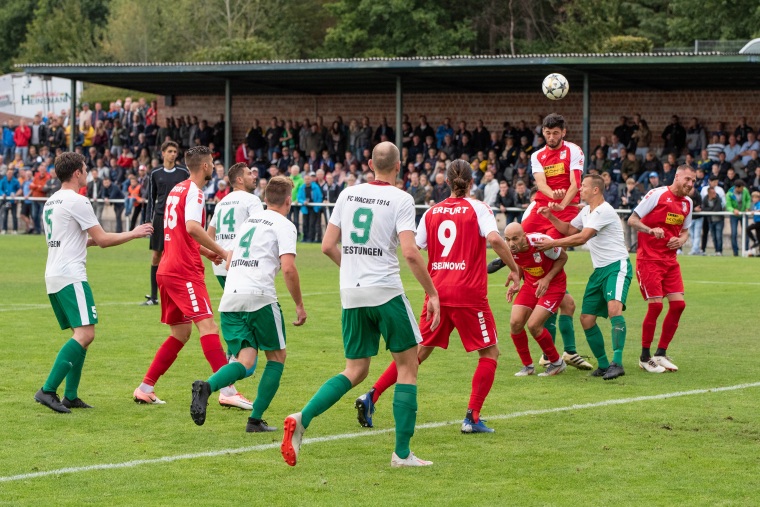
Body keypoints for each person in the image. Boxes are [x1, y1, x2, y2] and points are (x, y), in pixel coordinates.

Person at [280, 142, 441, 468]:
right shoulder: (402, 199)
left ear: (369, 163)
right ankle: (402, 453)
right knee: (408, 367)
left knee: (355, 369)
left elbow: (327, 246)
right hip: (385, 291)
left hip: (352, 295)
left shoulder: (347, 194)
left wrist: (354, 271)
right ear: (399, 166)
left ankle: (303, 417)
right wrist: (433, 294)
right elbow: (410, 253)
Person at [357, 160, 520, 434]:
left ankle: (371, 395)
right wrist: (514, 270)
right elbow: (494, 239)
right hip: (468, 295)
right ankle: (472, 417)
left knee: (416, 354)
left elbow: (416, 247)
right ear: (471, 182)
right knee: (489, 352)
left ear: (445, 182)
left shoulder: (432, 212)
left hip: (437, 294)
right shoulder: (478, 207)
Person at [34, 152, 153, 413]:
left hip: (54, 274)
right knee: (86, 333)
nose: (87, 173)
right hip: (71, 275)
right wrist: (133, 233)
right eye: (85, 169)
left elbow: (74, 240)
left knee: (82, 335)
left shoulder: (51, 201)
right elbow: (103, 239)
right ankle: (47, 390)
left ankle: (71, 395)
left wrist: (97, 240)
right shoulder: (78, 200)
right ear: (77, 172)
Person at [190, 176, 307, 431]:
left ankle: (207, 387)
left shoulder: (247, 223)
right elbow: (288, 268)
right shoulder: (284, 224)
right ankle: (255, 420)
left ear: (265, 199)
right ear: (289, 200)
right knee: (277, 357)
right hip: (259, 296)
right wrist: (299, 304)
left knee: (244, 361)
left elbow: (230, 260)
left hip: (231, 295)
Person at [132, 146, 241, 406]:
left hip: (167, 269)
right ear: (204, 166)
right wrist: (223, 252)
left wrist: (206, 252)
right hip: (184, 272)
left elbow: (181, 232)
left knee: (180, 333)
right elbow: (192, 227)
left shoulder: (176, 190)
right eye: (213, 163)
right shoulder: (195, 192)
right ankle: (228, 392)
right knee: (209, 327)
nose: (215, 167)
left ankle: (145, 387)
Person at [502, 113, 583, 369]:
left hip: (567, 207)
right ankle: (514, 269)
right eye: (547, 133)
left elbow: (575, 183)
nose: (551, 136)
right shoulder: (538, 155)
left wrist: (562, 202)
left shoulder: (574, 151)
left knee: (552, 251)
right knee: (519, 241)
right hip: (542, 205)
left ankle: (554, 354)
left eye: (555, 132)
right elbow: (541, 185)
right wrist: (552, 197)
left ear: (563, 132)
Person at [535, 174, 633, 381]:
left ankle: (617, 362)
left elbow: (582, 237)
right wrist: (551, 217)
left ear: (596, 190)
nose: (580, 189)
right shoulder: (587, 211)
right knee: (586, 319)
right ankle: (604, 364)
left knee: (613, 309)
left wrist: (552, 243)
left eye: (584, 186)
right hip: (599, 271)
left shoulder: (603, 210)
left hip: (616, 266)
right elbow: (571, 229)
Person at [627, 165, 696, 373]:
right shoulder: (656, 195)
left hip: (670, 261)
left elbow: (685, 232)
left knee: (678, 305)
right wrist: (650, 229)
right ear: (677, 177)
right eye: (687, 180)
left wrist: (680, 241)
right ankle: (644, 357)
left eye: (693, 181)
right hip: (649, 259)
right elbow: (632, 220)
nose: (690, 184)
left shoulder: (688, 203)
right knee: (655, 306)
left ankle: (661, 353)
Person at [503, 222, 576, 377]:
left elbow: (563, 257)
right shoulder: (510, 248)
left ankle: (557, 363)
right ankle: (528, 366)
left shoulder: (540, 242)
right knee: (515, 323)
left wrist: (547, 278)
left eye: (515, 239)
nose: (511, 243)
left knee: (534, 325)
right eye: (507, 239)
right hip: (531, 284)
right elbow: (521, 262)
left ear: (524, 236)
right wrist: (516, 278)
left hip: (554, 285)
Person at [143, 141, 189, 305]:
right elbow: (151, 199)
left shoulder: (183, 173)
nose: (173, 154)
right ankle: (154, 297)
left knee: (177, 257)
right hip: (160, 218)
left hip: (178, 220)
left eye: (175, 151)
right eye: (169, 151)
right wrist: (148, 221)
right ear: (162, 153)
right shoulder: (155, 173)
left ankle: (177, 294)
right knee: (156, 256)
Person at [207, 163, 263, 288]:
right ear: (239, 180)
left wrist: (216, 252)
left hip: (221, 265)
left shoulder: (221, 203)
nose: (254, 176)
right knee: (250, 305)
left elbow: (209, 235)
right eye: (249, 174)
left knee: (233, 305)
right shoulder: (252, 200)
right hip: (243, 262)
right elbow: (259, 231)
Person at [725, 180, 751, 256]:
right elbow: (728, 205)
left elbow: (748, 199)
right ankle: (735, 252)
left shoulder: (745, 191)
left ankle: (746, 251)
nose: (743, 189)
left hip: (743, 214)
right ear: (737, 187)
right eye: (741, 188)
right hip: (734, 216)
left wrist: (747, 207)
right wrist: (733, 210)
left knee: (746, 232)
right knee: (734, 233)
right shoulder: (729, 194)